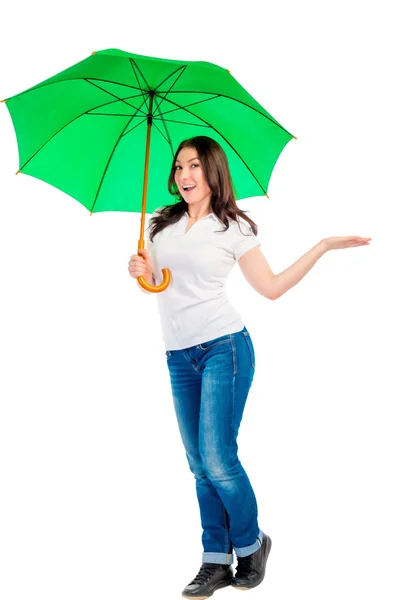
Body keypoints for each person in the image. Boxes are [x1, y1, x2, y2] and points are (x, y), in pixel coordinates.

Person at [127, 135, 371, 599]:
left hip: (225, 349)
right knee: (199, 464)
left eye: (194, 166)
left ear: (213, 171)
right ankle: (215, 561)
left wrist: (320, 246)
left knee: (218, 458)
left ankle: (251, 543)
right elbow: (160, 286)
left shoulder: (233, 228)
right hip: (179, 355)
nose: (184, 176)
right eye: (179, 167)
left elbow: (273, 287)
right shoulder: (161, 226)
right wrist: (143, 273)